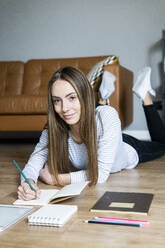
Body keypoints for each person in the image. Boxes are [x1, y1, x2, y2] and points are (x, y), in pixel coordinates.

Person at [17, 66, 165, 201]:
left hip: (127, 147)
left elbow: (100, 175)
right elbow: (33, 163)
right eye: (57, 101)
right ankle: (103, 96)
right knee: (94, 116)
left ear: (84, 95)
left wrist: (56, 179)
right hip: (101, 132)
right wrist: (28, 182)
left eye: (72, 97)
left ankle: (144, 95)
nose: (64, 108)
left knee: (162, 144)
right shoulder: (53, 128)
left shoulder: (107, 116)